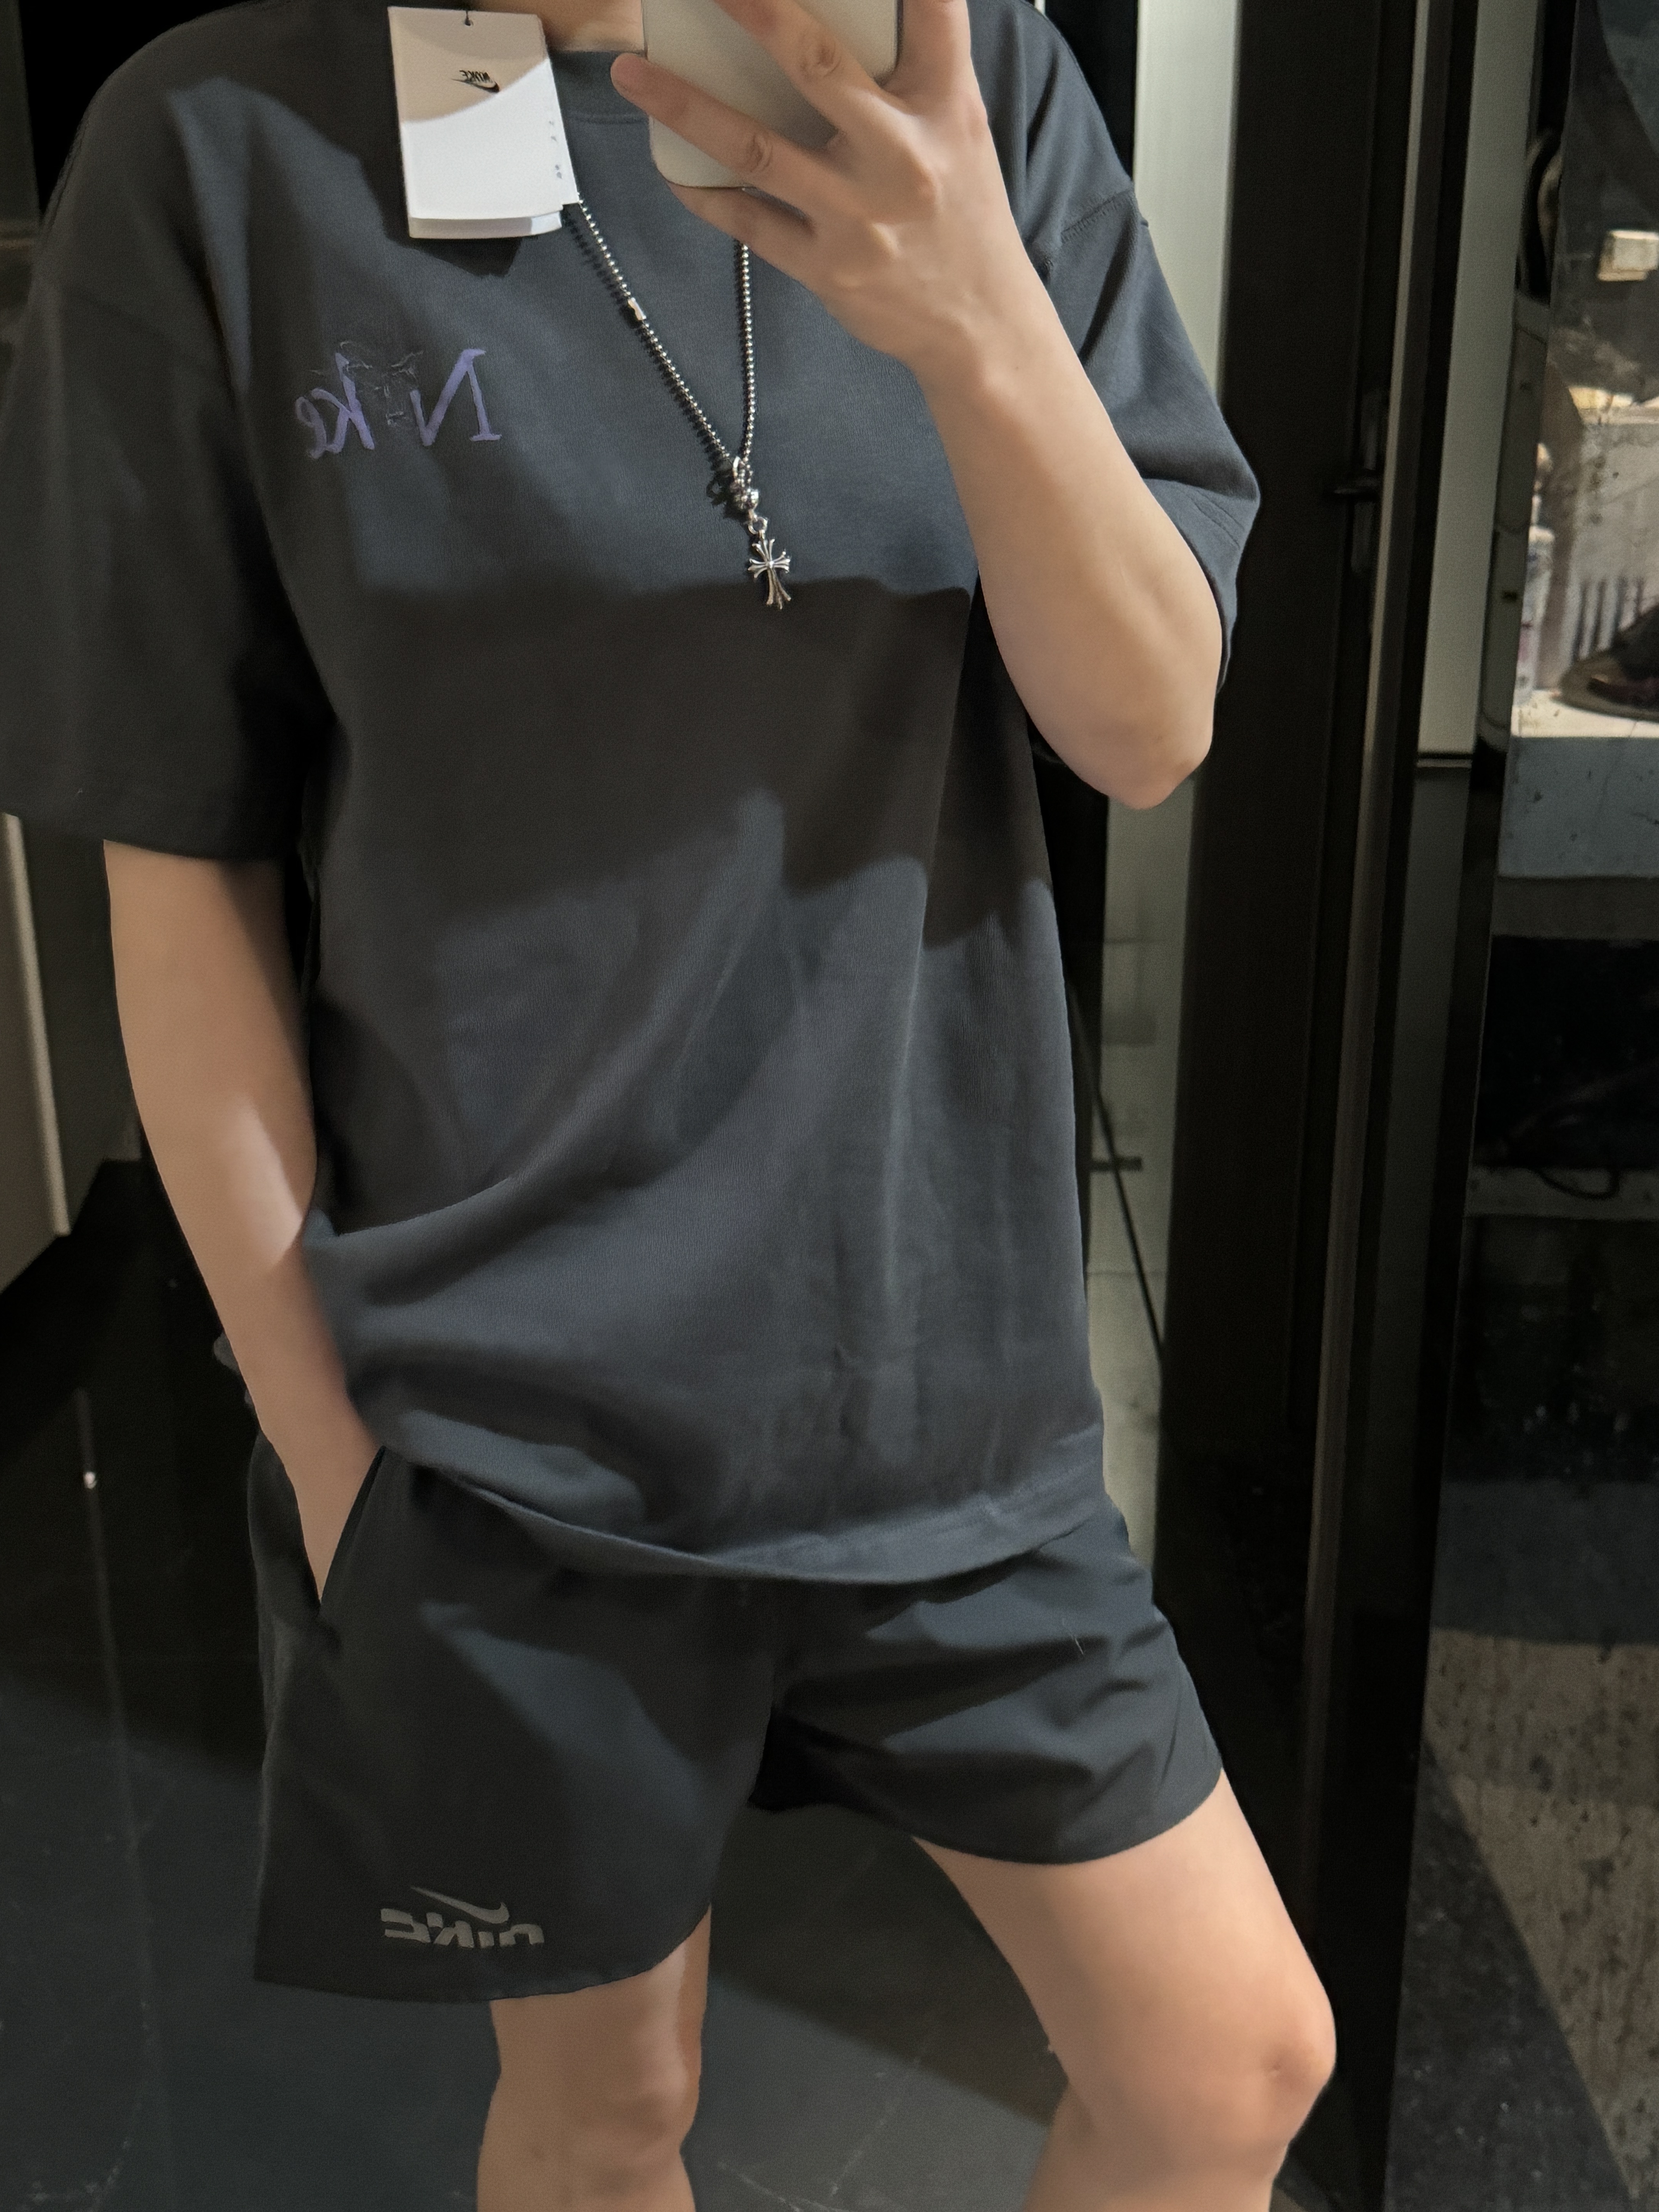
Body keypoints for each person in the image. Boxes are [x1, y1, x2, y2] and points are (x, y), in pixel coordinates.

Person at [0, 0, 1335, 2202]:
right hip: (507, 1432)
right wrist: (338, 1465)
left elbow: (1147, 723)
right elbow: (180, 876)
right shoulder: (220, 149)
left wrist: (976, 318)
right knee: (610, 2110)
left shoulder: (964, 76)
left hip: (938, 1384)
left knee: (1226, 2067)